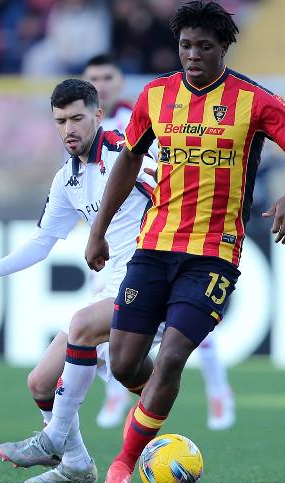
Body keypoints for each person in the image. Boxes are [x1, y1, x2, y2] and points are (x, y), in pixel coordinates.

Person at [83, 0, 285, 483]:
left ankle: (122, 465)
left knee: (172, 355)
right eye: (185, 45)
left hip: (215, 253)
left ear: (224, 48)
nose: (192, 54)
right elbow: (127, 163)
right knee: (126, 363)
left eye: (203, 46)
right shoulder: (155, 96)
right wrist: (98, 230)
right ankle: (154, 410)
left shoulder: (254, 101)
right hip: (153, 248)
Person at [0, 79, 157, 483]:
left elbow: (165, 191)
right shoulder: (67, 179)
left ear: (97, 114)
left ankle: (55, 436)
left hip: (151, 280)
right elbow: (42, 243)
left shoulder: (127, 153)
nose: (68, 129)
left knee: (83, 327)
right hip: (111, 288)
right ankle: (75, 462)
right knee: (40, 381)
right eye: (60, 121)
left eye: (77, 118)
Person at [83, 53, 236, 431]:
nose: (100, 85)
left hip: (158, 238)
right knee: (118, 329)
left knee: (182, 325)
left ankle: (219, 392)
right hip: (113, 244)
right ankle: (117, 397)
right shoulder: (84, 127)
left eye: (107, 76)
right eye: (92, 79)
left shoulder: (143, 114)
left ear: (120, 82)